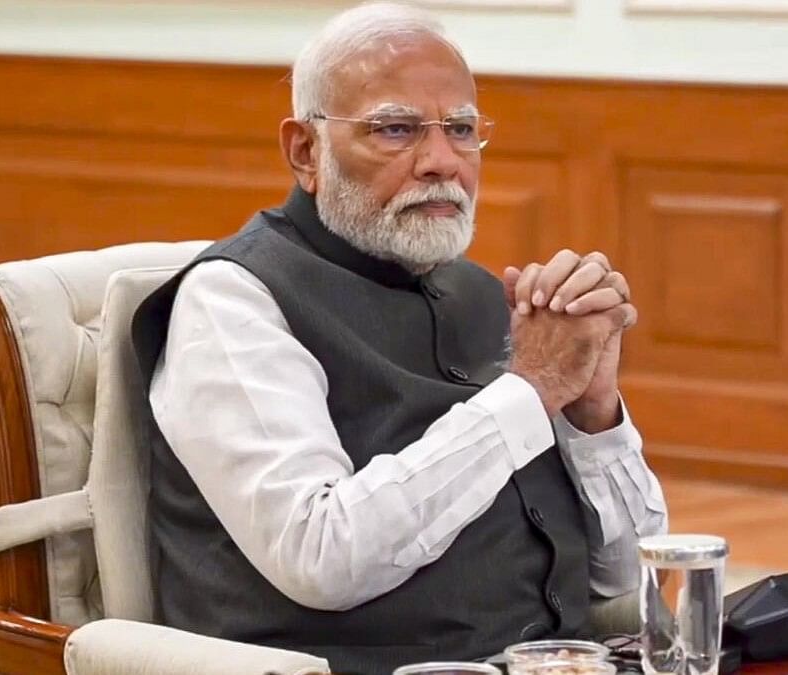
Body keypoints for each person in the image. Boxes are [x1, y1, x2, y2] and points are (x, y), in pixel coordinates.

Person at [130, 3, 667, 673]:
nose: (442, 161)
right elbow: (320, 555)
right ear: (305, 150)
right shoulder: (233, 300)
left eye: (462, 129)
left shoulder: (480, 293)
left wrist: (594, 413)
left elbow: (627, 576)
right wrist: (528, 391)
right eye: (395, 129)